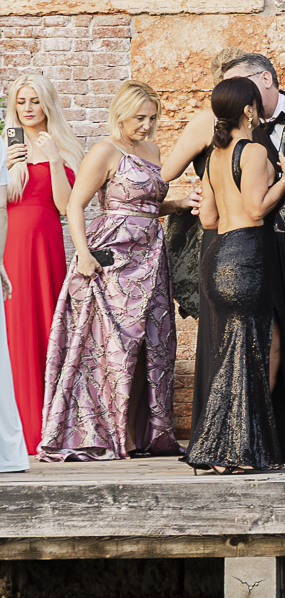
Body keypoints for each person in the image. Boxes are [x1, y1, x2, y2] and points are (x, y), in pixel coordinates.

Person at [41, 82, 180, 462]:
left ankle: (145, 435)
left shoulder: (151, 149)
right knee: (114, 346)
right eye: (139, 117)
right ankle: (107, 434)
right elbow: (74, 205)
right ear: (121, 113)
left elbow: (148, 205)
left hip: (152, 256)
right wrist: (83, 255)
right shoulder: (105, 150)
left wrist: (179, 202)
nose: (147, 125)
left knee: (155, 343)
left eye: (152, 118)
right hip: (113, 257)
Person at [187, 76, 285, 474]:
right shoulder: (251, 151)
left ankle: (232, 445)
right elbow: (255, 210)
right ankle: (226, 449)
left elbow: (208, 216)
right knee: (254, 350)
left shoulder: (216, 154)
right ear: (249, 110)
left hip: (219, 257)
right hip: (247, 257)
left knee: (245, 350)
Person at [5, 75, 77, 451]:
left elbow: (65, 208)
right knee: (14, 331)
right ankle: (17, 430)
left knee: (47, 330)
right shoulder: (4, 146)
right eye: (21, 102)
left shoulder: (62, 146)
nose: (28, 108)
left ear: (47, 103)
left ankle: (45, 428)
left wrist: (52, 159)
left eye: (34, 100)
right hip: (10, 247)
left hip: (46, 246)